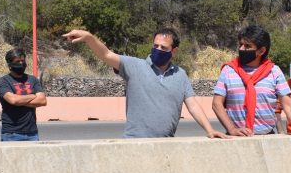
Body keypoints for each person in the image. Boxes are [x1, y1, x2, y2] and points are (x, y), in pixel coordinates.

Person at [62, 28, 227, 139]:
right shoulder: (134, 66)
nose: (158, 49)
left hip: (166, 145)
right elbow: (106, 54)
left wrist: (209, 130)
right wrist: (89, 38)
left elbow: (193, 106)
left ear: (174, 51)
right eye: (155, 45)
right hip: (134, 143)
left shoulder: (181, 75)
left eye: (164, 47)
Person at [212, 25, 291, 151]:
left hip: (267, 140)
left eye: (247, 46)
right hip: (235, 140)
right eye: (240, 45)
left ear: (261, 51)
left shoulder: (274, 72)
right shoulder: (228, 70)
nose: (241, 49)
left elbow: (288, 104)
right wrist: (232, 129)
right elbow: (216, 103)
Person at [0, 48, 47, 141]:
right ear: (10, 64)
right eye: (17, 61)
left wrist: (19, 101)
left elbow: (42, 101)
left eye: (22, 61)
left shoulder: (32, 79)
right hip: (11, 134)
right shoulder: (4, 81)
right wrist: (33, 96)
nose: (21, 63)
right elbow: (13, 100)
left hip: (32, 133)